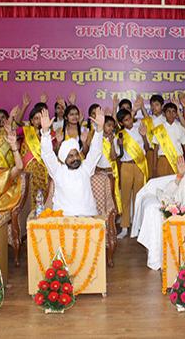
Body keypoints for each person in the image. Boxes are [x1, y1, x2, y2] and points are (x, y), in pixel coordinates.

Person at [39, 107, 105, 216]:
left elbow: (96, 151)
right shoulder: (58, 171)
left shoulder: (86, 168)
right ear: (64, 159)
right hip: (63, 216)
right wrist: (45, 132)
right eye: (70, 156)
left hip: (87, 215)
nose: (75, 158)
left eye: (76, 154)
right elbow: (47, 154)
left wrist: (99, 130)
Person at [86, 114, 119, 267]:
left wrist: (112, 143)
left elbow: (113, 157)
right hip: (99, 174)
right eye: (107, 125)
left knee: (111, 199)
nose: (110, 128)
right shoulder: (96, 140)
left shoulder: (113, 140)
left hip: (111, 173)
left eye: (112, 126)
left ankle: (111, 222)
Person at [115, 108, 150, 238]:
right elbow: (118, 155)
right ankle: (124, 227)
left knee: (139, 197)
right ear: (121, 122)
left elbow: (147, 148)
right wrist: (119, 145)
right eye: (125, 120)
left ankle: (138, 226)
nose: (129, 121)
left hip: (139, 165)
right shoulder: (119, 134)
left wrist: (144, 136)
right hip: (126, 167)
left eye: (130, 118)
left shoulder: (140, 129)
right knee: (125, 197)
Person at [151, 102, 185, 177]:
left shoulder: (181, 128)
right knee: (163, 186)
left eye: (173, 112)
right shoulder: (158, 129)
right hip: (163, 160)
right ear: (164, 114)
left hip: (178, 161)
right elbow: (155, 150)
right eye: (168, 111)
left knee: (177, 185)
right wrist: (154, 167)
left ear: (176, 114)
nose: (171, 114)